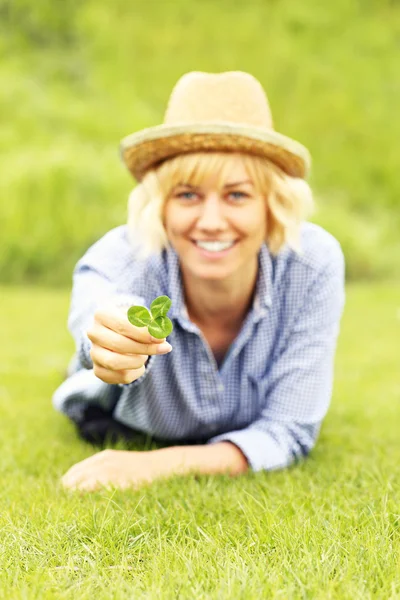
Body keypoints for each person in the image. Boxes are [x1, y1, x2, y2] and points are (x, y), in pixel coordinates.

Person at [53, 71, 345, 492]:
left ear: (272, 205)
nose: (210, 223)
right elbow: (99, 310)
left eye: (237, 195)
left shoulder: (312, 263)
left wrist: (159, 465)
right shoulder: (121, 256)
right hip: (119, 418)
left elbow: (289, 429)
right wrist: (111, 339)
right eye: (187, 195)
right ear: (161, 207)